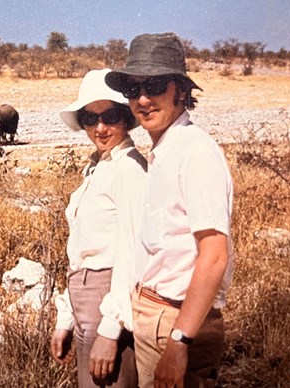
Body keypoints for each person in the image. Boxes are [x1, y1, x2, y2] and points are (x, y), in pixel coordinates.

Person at [105, 33, 234, 388]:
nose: (143, 100)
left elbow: (214, 256)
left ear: (180, 90)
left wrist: (179, 341)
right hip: (157, 316)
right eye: (134, 90)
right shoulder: (166, 151)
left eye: (155, 86)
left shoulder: (195, 152)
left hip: (174, 323)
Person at [51, 68, 147, 388]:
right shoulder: (98, 167)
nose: (100, 128)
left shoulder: (129, 169)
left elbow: (133, 253)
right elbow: (81, 250)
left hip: (109, 303)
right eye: (90, 119)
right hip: (86, 303)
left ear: (127, 118)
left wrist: (111, 328)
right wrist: (66, 317)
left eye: (110, 116)